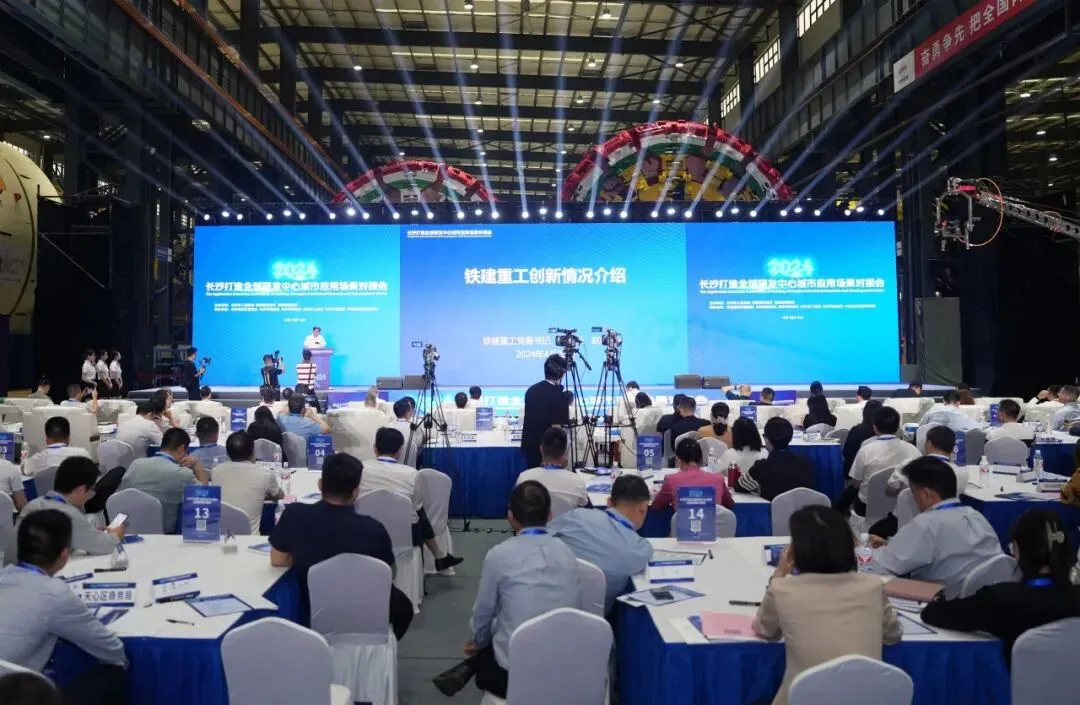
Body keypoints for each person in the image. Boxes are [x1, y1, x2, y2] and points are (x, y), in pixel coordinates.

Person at [432, 481, 581, 698]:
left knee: (493, 632)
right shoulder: (568, 553)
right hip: (567, 665)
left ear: (510, 516)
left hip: (516, 670)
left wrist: (478, 641)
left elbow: (483, 613)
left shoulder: (499, 555)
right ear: (550, 515)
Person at [752, 505, 902, 705]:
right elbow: (893, 635)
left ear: (796, 551)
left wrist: (779, 573)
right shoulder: (873, 586)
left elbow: (765, 629)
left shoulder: (783, 589)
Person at [269, 452, 413, 639]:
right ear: (356, 491)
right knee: (404, 607)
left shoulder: (294, 515)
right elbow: (389, 573)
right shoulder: (373, 529)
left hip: (311, 607)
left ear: (320, 484)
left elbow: (278, 560)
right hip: (364, 609)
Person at [0, 510, 128, 704]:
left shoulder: (4, 575)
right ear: (64, 555)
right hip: (15, 694)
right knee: (114, 671)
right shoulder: (54, 593)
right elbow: (113, 650)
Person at [920, 508, 1080, 663]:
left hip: (1017, 681)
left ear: (1017, 550)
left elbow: (933, 614)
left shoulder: (1001, 599)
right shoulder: (1073, 599)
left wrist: (939, 597)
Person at [867, 457, 1001, 598]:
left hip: (944, 602)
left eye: (913, 492)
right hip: (984, 599)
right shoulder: (977, 516)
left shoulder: (926, 523)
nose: (914, 499)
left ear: (926, 494)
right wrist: (891, 544)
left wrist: (861, 550)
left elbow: (880, 565)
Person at [548, 474, 654, 613]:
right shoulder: (640, 549)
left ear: (609, 502)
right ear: (643, 508)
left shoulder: (576, 516)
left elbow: (540, 537)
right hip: (595, 618)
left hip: (547, 602)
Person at [361, 428, 463, 571]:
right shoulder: (412, 474)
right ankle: (439, 555)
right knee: (418, 511)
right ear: (400, 450)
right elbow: (416, 506)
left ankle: (440, 556)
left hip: (366, 528)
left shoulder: (361, 468)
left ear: (374, 448)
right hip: (405, 533)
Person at [17, 457, 123, 554]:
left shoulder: (32, 505)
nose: (92, 494)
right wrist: (116, 534)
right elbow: (107, 546)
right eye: (92, 490)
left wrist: (87, 532)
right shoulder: (69, 515)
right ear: (80, 490)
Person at [117, 428, 209, 534]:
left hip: (129, 529)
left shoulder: (135, 464)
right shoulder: (182, 474)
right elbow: (205, 496)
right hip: (165, 533)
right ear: (181, 449)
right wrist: (196, 464)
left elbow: (122, 495)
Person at [849, 406, 921, 519]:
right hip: (903, 507)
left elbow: (856, 483)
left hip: (868, 507)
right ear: (898, 428)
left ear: (874, 427)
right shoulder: (914, 450)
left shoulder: (866, 450)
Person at [210, 431, 283, 534]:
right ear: (252, 451)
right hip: (250, 538)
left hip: (222, 536)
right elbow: (280, 496)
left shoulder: (216, 470)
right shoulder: (265, 473)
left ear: (228, 452)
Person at [736, 418, 815, 501]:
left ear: (766, 439)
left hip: (771, 509)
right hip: (801, 509)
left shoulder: (761, 467)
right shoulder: (805, 465)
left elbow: (739, 487)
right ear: (791, 438)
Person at [515, 427, 589, 509]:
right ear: (565, 451)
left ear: (541, 449)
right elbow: (583, 504)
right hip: (567, 517)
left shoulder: (525, 478)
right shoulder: (577, 482)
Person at [653, 438, 735, 511]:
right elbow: (730, 504)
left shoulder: (670, 480)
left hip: (683, 524)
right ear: (701, 459)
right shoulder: (718, 479)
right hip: (715, 524)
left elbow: (656, 505)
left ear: (678, 459)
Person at [520, 354, 571, 469]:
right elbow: (556, 429)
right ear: (562, 374)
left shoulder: (531, 390)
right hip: (548, 452)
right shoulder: (559, 396)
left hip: (529, 447)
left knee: (533, 477)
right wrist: (561, 455)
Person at [22, 417, 92, 477]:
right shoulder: (83, 454)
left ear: (47, 439)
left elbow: (24, 469)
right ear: (69, 438)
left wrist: (24, 454)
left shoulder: (38, 458)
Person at [841, 400, 883, 478]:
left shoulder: (856, 431)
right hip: (881, 476)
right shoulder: (884, 433)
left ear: (864, 413)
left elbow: (846, 453)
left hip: (854, 475)